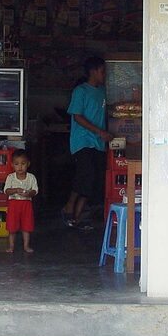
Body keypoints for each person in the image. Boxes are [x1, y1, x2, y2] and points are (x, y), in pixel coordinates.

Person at [62, 56, 112, 230]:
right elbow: (77, 116)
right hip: (82, 141)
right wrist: (99, 131)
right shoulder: (80, 91)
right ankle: (69, 206)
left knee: (93, 179)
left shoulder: (103, 92)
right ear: (93, 71)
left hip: (98, 143)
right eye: (102, 71)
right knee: (86, 174)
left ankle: (76, 216)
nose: (104, 75)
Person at [4, 150, 38, 253]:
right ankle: (11, 246)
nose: (20, 167)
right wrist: (16, 190)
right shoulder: (10, 177)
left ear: (28, 164)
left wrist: (29, 193)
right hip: (14, 204)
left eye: (23, 164)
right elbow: (6, 191)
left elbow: (35, 191)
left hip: (26, 204)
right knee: (12, 227)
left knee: (26, 226)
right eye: (17, 164)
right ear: (12, 165)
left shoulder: (31, 177)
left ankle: (26, 246)